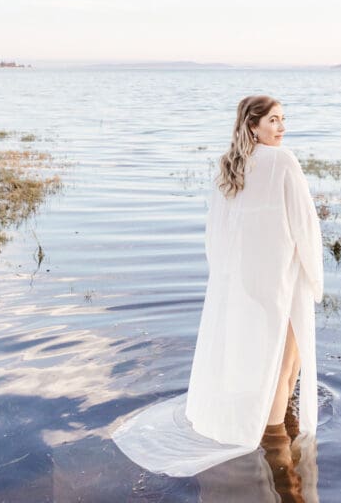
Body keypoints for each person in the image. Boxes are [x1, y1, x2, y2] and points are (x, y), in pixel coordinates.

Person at [111, 94, 324, 479]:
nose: (282, 127)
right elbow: (305, 226)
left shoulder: (231, 166)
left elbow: (217, 232)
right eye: (274, 120)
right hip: (283, 281)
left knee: (265, 363)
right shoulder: (283, 161)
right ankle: (278, 453)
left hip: (246, 282)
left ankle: (270, 433)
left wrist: (228, 278)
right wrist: (315, 278)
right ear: (252, 125)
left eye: (283, 120)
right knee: (286, 368)